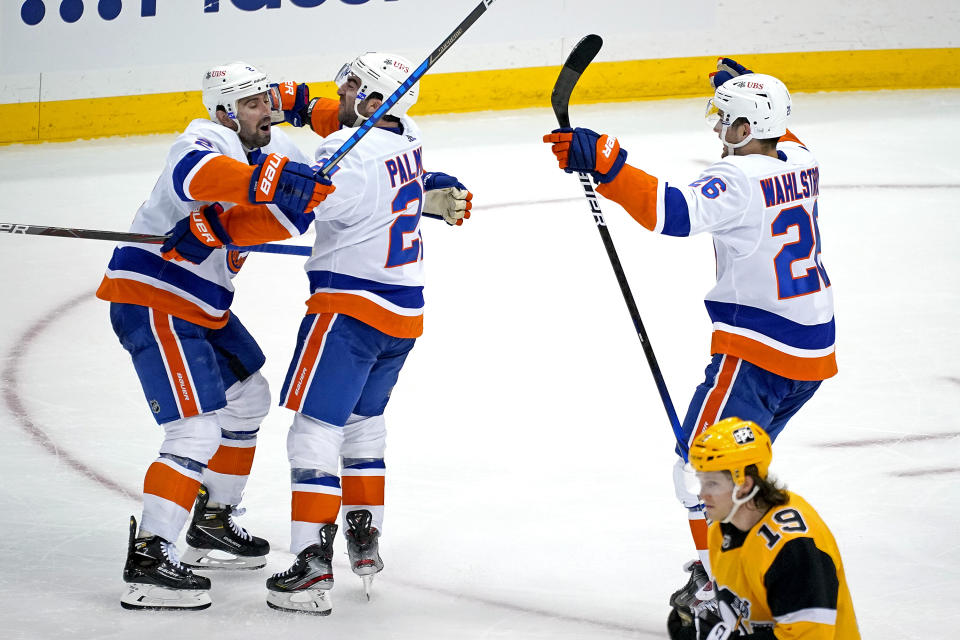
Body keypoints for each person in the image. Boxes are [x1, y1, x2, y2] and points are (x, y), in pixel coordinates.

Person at [543, 58, 836, 603]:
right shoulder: (803, 158)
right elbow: (782, 133)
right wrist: (747, 93)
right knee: (739, 469)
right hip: (812, 353)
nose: (718, 128)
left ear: (747, 128)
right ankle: (742, 571)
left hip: (758, 354)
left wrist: (607, 164)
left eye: (727, 118)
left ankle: (723, 590)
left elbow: (671, 212)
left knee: (700, 469)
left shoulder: (737, 177)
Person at [97, 60, 336, 610]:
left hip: (203, 304)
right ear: (226, 110)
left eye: (266, 102)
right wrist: (261, 184)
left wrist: (230, 221)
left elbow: (288, 215)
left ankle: (212, 523)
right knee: (196, 429)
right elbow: (195, 177)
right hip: (154, 293)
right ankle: (151, 558)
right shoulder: (206, 137)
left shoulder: (272, 153)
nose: (266, 113)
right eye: (252, 104)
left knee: (248, 399)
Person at [261, 52, 472, 615]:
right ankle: (364, 537)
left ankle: (309, 563)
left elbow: (302, 210)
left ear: (378, 100)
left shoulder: (343, 152)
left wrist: (233, 216)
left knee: (314, 431)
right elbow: (375, 175)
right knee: (364, 424)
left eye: (355, 88)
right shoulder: (410, 139)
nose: (345, 95)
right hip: (403, 314)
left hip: (348, 310)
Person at [666, 417, 859, 639]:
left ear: (744, 484)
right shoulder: (721, 529)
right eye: (700, 480)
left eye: (712, 483)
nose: (701, 494)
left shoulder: (793, 547)